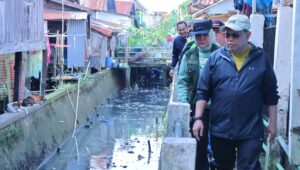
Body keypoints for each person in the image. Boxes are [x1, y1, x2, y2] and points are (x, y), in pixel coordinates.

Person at [192, 14, 279, 170]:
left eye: (235, 35)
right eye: (227, 34)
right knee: (222, 166)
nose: (229, 38)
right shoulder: (216, 58)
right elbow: (203, 91)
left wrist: (272, 123)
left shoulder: (261, 59)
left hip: (250, 130)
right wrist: (198, 118)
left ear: (248, 35)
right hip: (221, 129)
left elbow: (271, 94)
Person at [177, 19, 219, 170]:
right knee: (199, 144)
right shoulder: (189, 56)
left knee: (219, 145)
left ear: (211, 34)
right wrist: (184, 104)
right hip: (197, 108)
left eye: (205, 35)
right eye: (198, 36)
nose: (201, 39)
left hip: (218, 108)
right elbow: (182, 82)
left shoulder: (221, 54)